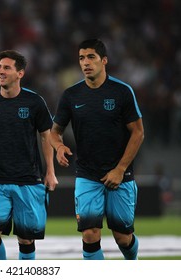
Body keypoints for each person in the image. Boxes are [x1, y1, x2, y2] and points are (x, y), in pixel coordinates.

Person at [50, 39, 144, 260]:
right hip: (87, 175)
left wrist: (120, 169)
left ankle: (134, 263)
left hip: (120, 175)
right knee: (90, 234)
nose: (85, 62)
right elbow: (55, 131)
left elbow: (138, 133)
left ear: (104, 61)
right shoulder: (71, 95)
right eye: (82, 58)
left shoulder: (122, 91)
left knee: (123, 237)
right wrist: (59, 146)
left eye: (91, 57)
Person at [0, 50, 58, 260]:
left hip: (28, 180)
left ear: (20, 73)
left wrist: (50, 172)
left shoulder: (35, 102)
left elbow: (46, 136)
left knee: (26, 239)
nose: (0, 71)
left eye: (7, 67)